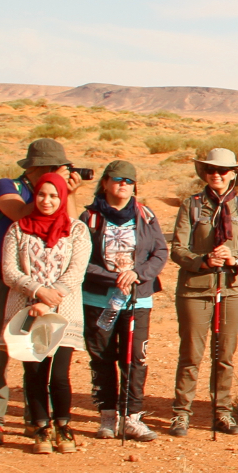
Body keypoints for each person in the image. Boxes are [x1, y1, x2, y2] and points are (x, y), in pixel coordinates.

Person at [0, 138, 83, 445]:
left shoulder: (58, 193)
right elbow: (24, 217)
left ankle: (35, 420)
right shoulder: (6, 186)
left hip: (56, 294)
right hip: (9, 285)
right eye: (55, 169)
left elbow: (71, 225)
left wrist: (69, 194)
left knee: (42, 355)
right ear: (40, 167)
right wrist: (51, 192)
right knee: (2, 352)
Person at [168, 148, 238, 436]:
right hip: (195, 290)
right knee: (191, 354)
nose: (216, 175)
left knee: (224, 355)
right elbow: (178, 249)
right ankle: (181, 413)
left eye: (222, 170)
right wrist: (203, 260)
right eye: (211, 170)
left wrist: (233, 260)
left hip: (232, 289)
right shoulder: (192, 205)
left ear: (234, 174)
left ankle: (222, 412)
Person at [1, 172, 91, 453]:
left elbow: (76, 271)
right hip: (27, 311)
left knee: (60, 375)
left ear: (62, 198)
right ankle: (41, 427)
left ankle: (63, 426)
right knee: (35, 371)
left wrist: (48, 300)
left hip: (64, 311)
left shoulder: (76, 230)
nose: (47, 201)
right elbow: (9, 271)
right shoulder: (18, 229)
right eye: (41, 195)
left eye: (54, 196)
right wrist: (37, 292)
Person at [79, 160, 167, 442]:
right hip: (98, 299)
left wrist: (137, 274)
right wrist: (112, 277)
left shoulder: (146, 216)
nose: (123, 184)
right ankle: (107, 416)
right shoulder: (89, 218)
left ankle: (132, 418)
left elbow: (160, 252)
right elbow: (79, 259)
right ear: (104, 182)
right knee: (102, 357)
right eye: (117, 179)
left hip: (137, 300)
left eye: (129, 180)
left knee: (135, 358)